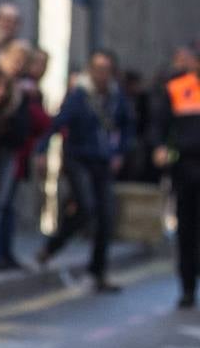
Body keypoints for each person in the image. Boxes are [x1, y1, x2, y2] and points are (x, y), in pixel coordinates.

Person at [33, 49, 133, 292]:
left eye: (105, 70)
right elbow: (59, 122)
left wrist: (119, 152)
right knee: (86, 207)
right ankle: (51, 247)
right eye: (97, 69)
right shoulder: (79, 95)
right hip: (78, 159)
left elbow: (127, 125)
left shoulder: (116, 97)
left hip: (102, 160)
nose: (101, 75)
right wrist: (42, 150)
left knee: (107, 216)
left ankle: (97, 271)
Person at [149, 45, 200, 307]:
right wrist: (159, 147)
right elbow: (159, 122)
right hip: (186, 166)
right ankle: (188, 287)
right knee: (187, 228)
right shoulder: (178, 87)